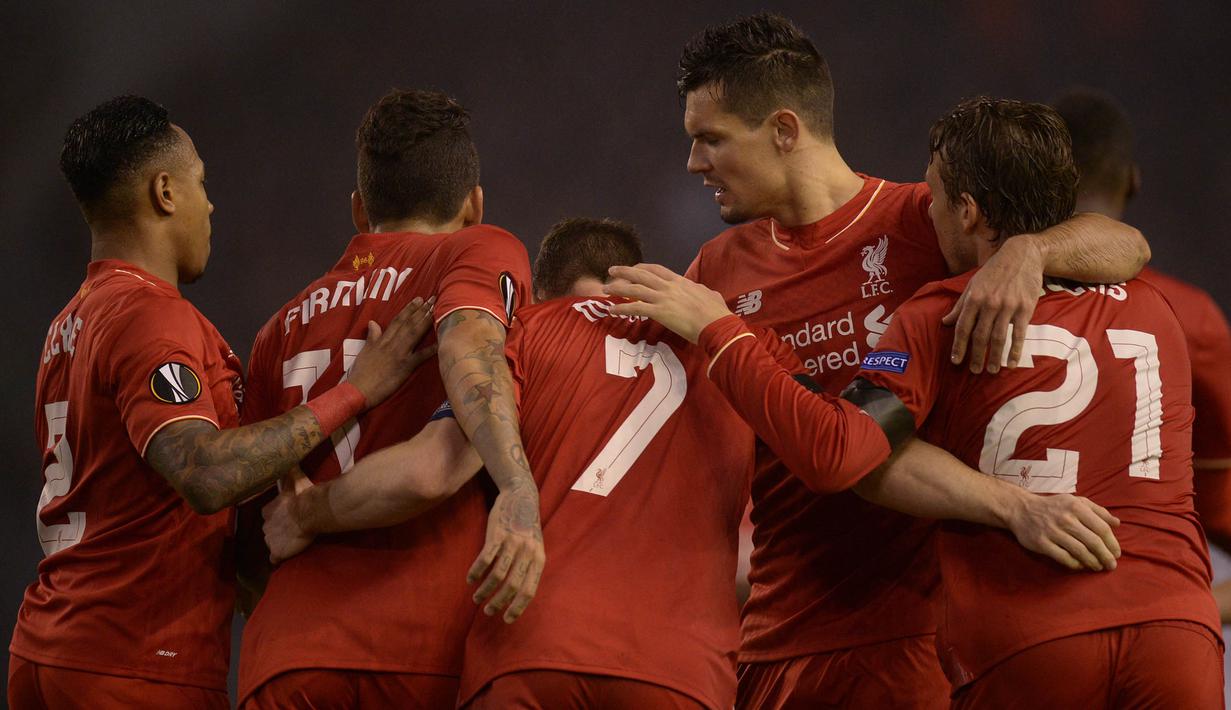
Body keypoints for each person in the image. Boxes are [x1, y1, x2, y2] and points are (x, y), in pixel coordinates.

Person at [264, 217, 1122, 709]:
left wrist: (311, 511)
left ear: (555, 287)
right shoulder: (733, 356)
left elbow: (430, 468)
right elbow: (836, 462)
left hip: (529, 654)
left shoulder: (528, 334)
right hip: (680, 673)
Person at [669, 13, 1151, 709]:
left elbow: (1126, 246)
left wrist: (1031, 250)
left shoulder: (924, 220)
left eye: (710, 140)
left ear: (782, 129)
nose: (693, 164)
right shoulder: (714, 273)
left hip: (921, 640)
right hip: (776, 642)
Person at [10, 96, 434, 709]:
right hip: (134, 666)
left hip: (47, 651)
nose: (209, 205)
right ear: (164, 192)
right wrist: (358, 389)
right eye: (201, 183)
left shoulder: (68, 325)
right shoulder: (150, 316)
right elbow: (205, 474)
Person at [852, 96, 1222, 708]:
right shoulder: (1161, 307)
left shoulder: (935, 316)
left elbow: (865, 448)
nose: (928, 211)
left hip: (1030, 634)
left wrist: (1014, 507)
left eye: (934, 197)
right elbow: (1131, 244)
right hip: (1175, 627)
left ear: (967, 211)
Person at [236, 88, 543, 709]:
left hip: (284, 658)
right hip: (419, 647)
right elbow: (470, 352)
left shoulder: (277, 331)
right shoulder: (478, 251)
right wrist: (517, 485)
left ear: (359, 211)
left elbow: (244, 530)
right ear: (473, 204)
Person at [1054, 87, 1231, 621]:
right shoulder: (1189, 316)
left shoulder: (974, 305)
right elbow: (1221, 501)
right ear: (1132, 180)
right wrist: (1186, 610)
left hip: (1020, 627)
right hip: (1157, 631)